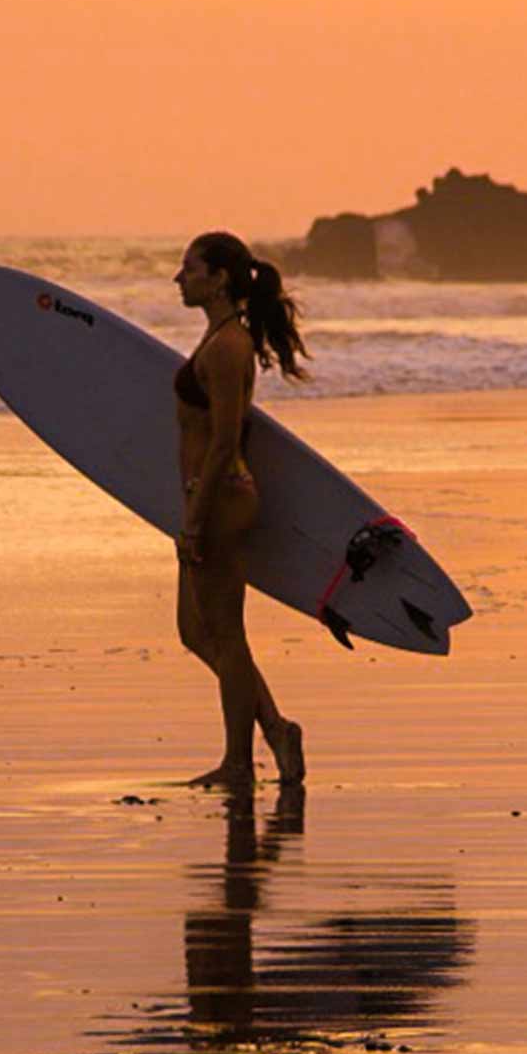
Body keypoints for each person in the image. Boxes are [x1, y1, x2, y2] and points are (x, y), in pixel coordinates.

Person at [170, 231, 311, 787]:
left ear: (219, 278)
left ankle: (237, 763)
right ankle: (276, 728)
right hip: (206, 498)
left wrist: (197, 518)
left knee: (226, 636)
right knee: (194, 632)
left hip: (220, 500)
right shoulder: (218, 338)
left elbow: (227, 440)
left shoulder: (229, 348)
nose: (179, 278)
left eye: (189, 268)